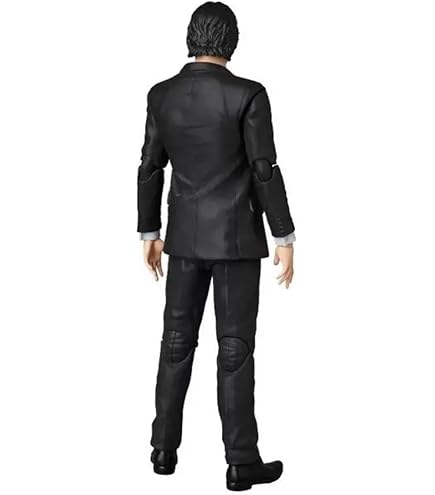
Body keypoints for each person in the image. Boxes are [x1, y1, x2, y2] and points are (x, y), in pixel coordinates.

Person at [137, 2, 296, 490]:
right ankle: (240, 462)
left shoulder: (161, 95)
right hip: (236, 242)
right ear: (232, 40)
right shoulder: (249, 94)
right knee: (235, 349)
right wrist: (284, 234)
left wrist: (149, 232)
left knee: (175, 342)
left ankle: (163, 451)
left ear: (191, 36)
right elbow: (263, 169)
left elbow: (150, 166)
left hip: (182, 240)